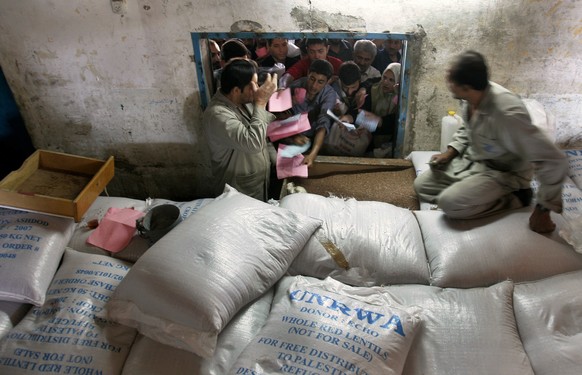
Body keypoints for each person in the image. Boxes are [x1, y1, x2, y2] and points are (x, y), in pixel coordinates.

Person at [413, 50, 568, 233]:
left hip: (503, 174)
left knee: (450, 204)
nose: (448, 84)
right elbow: (468, 128)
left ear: (465, 86)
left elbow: (554, 160)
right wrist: (451, 152)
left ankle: (515, 198)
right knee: (422, 186)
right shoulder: (471, 97)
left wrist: (543, 209)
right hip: (473, 162)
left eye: (451, 81)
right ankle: (471, 192)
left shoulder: (507, 114)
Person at [203, 58, 278, 201]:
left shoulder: (246, 102)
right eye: (253, 85)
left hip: (257, 183)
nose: (257, 89)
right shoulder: (217, 115)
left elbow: (262, 135)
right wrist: (261, 103)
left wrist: (276, 161)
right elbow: (253, 143)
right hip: (239, 190)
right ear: (236, 90)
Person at [280, 59, 338, 167]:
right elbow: (280, 117)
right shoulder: (295, 86)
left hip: (315, 139)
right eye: (312, 79)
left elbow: (323, 125)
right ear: (307, 73)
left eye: (320, 82)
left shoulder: (329, 95)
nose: (314, 86)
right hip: (293, 136)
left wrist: (312, 155)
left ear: (327, 81)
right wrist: (294, 136)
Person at [278, 38, 343, 89]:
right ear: (307, 50)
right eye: (312, 52)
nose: (316, 56)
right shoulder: (304, 64)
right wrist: (282, 87)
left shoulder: (337, 63)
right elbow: (287, 76)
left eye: (320, 51)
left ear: (327, 49)